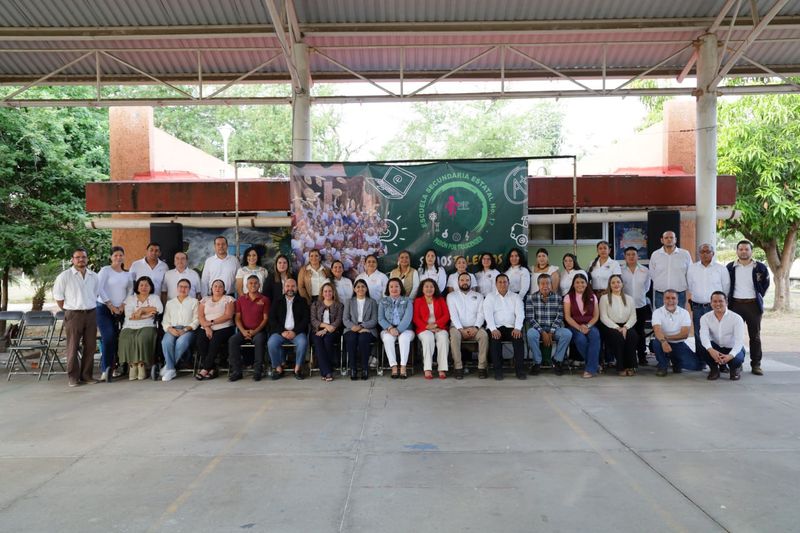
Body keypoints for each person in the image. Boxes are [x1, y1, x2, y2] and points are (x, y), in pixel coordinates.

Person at [53, 247, 100, 387]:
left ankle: (87, 376)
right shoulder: (64, 276)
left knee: (90, 346)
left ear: (87, 259)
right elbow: (59, 298)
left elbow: (96, 294)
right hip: (73, 315)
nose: (81, 259)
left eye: (83, 257)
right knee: (72, 347)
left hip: (91, 313)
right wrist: (70, 310)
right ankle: (73, 377)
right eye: (78, 257)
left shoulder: (94, 276)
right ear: (72, 260)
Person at [726, 240, 770, 376]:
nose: (743, 251)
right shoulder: (730, 267)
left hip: (753, 306)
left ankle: (756, 364)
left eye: (746, 249)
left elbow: (765, 284)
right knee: (733, 337)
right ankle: (736, 364)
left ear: (751, 251)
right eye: (741, 249)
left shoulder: (760, 267)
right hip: (735, 305)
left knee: (755, 337)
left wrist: (758, 296)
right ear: (737, 251)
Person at [687, 243, 731, 358]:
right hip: (697, 306)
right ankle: (702, 360)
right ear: (699, 254)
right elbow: (690, 286)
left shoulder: (721, 269)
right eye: (702, 252)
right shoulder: (692, 268)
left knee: (717, 334)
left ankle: (719, 361)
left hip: (715, 307)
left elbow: (725, 288)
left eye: (708, 252)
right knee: (699, 333)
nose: (705, 254)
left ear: (713, 253)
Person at [96, 246, 132, 381]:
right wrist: (110, 305)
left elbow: (130, 290)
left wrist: (123, 304)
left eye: (120, 255)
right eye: (115, 255)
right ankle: (105, 369)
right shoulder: (105, 271)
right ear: (111, 257)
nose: (118, 258)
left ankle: (115, 367)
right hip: (104, 309)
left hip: (121, 310)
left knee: (120, 339)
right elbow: (99, 288)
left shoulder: (127, 274)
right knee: (109, 337)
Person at [525, 274, 572, 376]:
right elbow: (530, 318)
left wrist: (551, 331)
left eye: (547, 283)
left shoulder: (558, 298)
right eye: (542, 283)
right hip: (538, 329)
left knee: (567, 333)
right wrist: (542, 332)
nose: (545, 285)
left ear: (551, 285)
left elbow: (559, 317)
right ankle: (537, 362)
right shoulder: (531, 298)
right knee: (530, 334)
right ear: (538, 285)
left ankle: (557, 360)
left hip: (554, 329)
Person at [118, 276, 163, 381]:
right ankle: (132, 365)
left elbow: (159, 309)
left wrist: (142, 310)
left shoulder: (154, 298)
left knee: (141, 338)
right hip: (129, 325)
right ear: (137, 287)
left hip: (148, 325)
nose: (144, 287)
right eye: (141, 285)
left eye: (146, 285)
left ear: (150, 287)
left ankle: (141, 365)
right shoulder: (130, 298)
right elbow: (129, 315)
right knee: (126, 337)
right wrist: (148, 313)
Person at [651, 289, 704, 376]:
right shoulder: (657, 312)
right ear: (663, 300)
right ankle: (663, 366)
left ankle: (675, 361)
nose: (670, 301)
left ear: (677, 300)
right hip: (662, 342)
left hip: (678, 343)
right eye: (667, 298)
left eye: (673, 298)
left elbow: (684, 334)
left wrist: (667, 338)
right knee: (657, 342)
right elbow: (657, 331)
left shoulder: (684, 313)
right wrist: (664, 341)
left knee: (697, 366)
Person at [228, 275, 270, 382]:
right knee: (233, 340)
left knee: (259, 341)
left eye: (255, 283)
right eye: (250, 283)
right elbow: (237, 318)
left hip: (259, 331)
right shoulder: (241, 299)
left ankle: (257, 370)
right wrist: (243, 331)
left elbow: (265, 319)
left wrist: (255, 331)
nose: (253, 285)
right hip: (244, 330)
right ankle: (237, 371)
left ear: (259, 285)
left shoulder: (264, 299)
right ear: (246, 285)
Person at [447, 272, 489, 379]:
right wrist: (461, 330)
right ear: (458, 282)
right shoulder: (451, 296)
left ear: (471, 282)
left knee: (484, 336)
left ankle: (482, 367)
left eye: (467, 280)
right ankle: (458, 367)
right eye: (462, 280)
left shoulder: (479, 296)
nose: (465, 282)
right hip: (457, 327)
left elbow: (481, 314)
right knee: (454, 337)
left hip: (475, 327)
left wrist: (476, 328)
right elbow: (453, 315)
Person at [483, 274, 525, 380]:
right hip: (496, 327)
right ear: (496, 284)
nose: (502, 284)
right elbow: (487, 314)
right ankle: (498, 371)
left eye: (505, 282)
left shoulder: (516, 297)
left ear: (508, 283)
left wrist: (518, 328)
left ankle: (520, 370)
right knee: (495, 341)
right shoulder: (490, 297)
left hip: (512, 327)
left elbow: (520, 314)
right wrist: (493, 329)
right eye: (500, 282)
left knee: (518, 339)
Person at [267, 278, 310, 380]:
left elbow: (305, 319)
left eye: (293, 286)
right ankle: (278, 368)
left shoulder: (302, 301)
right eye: (288, 286)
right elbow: (272, 319)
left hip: (297, 333)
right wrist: (282, 331)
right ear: (284, 288)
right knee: (271, 343)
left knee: (303, 342)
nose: (290, 289)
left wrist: (295, 332)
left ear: (296, 288)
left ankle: (298, 369)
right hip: (280, 332)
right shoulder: (277, 301)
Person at [700, 291, 747, 381]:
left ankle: (735, 369)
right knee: (703, 347)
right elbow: (704, 336)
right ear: (711, 303)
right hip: (716, 347)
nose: (717, 304)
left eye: (721, 301)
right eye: (715, 301)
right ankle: (714, 369)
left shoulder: (736, 318)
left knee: (737, 358)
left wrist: (730, 356)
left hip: (731, 347)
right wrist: (711, 351)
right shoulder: (705, 318)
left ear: (726, 302)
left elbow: (739, 341)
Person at [195, 279, 236, 380]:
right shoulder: (205, 300)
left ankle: (205, 368)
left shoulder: (228, 299)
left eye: (220, 286)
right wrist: (207, 327)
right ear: (211, 288)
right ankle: (212, 368)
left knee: (214, 342)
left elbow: (228, 315)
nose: (218, 288)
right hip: (206, 327)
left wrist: (211, 323)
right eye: (215, 286)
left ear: (224, 289)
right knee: (200, 341)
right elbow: (200, 316)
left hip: (224, 327)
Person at [599, 274, 639, 376]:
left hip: (627, 325)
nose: (616, 284)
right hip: (610, 326)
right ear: (609, 285)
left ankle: (631, 365)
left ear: (622, 284)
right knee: (618, 337)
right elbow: (603, 317)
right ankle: (621, 367)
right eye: (613, 282)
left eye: (618, 282)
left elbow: (633, 316)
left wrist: (625, 327)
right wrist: (617, 328)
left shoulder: (629, 299)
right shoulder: (604, 298)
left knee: (632, 336)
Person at [160, 278, 199, 382]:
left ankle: (168, 367)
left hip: (188, 330)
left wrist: (185, 329)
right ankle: (171, 369)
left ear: (189, 289)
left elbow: (196, 320)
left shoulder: (194, 302)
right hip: (172, 328)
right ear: (177, 288)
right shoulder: (170, 303)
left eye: (186, 287)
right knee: (166, 342)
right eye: (181, 287)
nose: (183, 289)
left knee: (181, 342)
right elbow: (165, 320)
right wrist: (170, 329)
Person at [563, 273, 601, 379]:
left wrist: (587, 326)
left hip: (590, 325)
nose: (580, 284)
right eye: (577, 282)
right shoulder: (568, 297)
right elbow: (568, 317)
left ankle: (590, 369)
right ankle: (593, 365)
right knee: (580, 339)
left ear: (587, 283)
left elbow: (596, 316)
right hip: (574, 326)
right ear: (573, 284)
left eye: (583, 282)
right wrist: (579, 327)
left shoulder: (592, 296)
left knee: (594, 335)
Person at [378, 278, 415, 379]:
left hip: (406, 329)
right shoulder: (383, 301)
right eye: (391, 286)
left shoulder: (407, 301)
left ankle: (403, 366)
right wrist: (390, 328)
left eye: (396, 286)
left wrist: (398, 330)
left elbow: (408, 318)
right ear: (388, 289)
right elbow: (380, 319)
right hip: (388, 329)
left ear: (400, 288)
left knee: (404, 338)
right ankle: (394, 366)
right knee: (387, 338)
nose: (394, 289)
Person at [413, 279, 451, 380]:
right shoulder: (418, 301)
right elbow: (416, 318)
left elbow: (446, 315)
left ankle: (442, 368)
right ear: (422, 288)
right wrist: (427, 327)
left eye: (431, 286)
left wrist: (436, 325)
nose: (429, 289)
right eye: (426, 286)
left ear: (435, 288)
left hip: (439, 327)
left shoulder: (440, 299)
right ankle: (427, 369)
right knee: (428, 338)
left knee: (443, 337)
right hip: (423, 328)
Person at [620, 246, 651, 366]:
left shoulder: (645, 271)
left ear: (638, 256)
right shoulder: (620, 270)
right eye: (628, 254)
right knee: (628, 332)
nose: (631, 257)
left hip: (640, 306)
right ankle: (629, 356)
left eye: (634, 254)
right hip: (625, 307)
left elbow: (647, 287)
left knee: (640, 332)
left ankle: (642, 356)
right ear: (625, 257)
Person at [343, 279, 378, 380]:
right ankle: (353, 368)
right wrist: (354, 327)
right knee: (351, 339)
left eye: (363, 286)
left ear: (366, 288)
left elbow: (374, 320)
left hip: (368, 329)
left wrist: (362, 326)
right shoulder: (349, 301)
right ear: (354, 289)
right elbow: (345, 319)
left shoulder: (372, 302)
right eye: (358, 287)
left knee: (363, 339)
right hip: (351, 328)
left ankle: (365, 369)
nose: (360, 289)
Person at [311, 282, 344, 382]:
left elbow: (338, 320)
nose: (328, 293)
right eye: (325, 291)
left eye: (330, 291)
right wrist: (325, 326)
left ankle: (324, 371)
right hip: (317, 330)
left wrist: (326, 330)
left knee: (328, 340)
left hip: (333, 331)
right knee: (318, 341)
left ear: (333, 292)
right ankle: (328, 371)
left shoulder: (339, 305)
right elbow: (313, 320)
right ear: (322, 293)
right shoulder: (315, 304)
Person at [649, 231, 692, 308]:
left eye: (671, 237)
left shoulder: (685, 254)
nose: (669, 239)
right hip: (660, 294)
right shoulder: (655, 255)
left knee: (679, 318)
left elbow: (690, 273)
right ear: (662, 240)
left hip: (679, 294)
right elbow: (652, 273)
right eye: (666, 238)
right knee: (661, 318)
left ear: (675, 239)